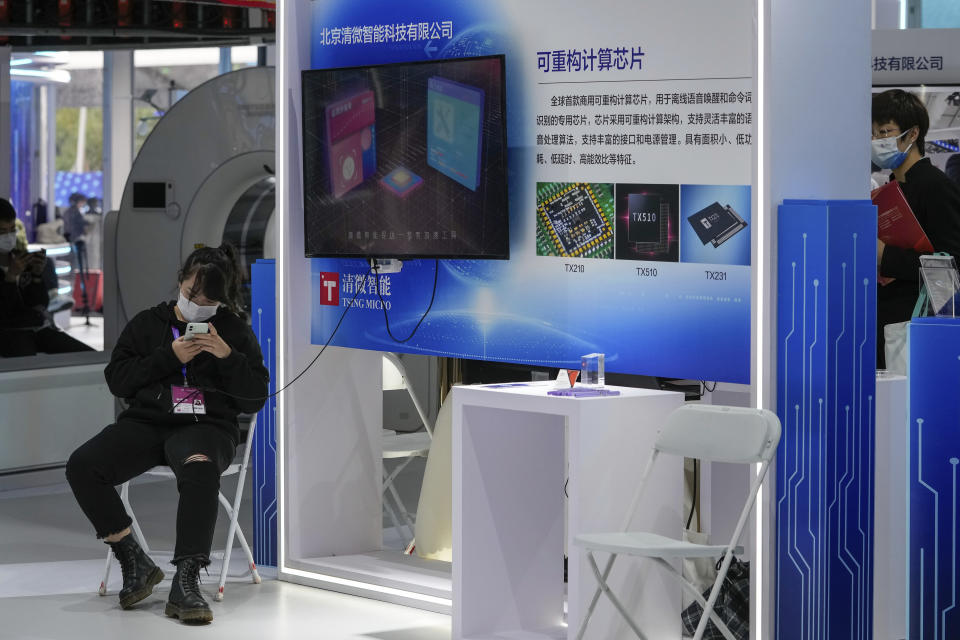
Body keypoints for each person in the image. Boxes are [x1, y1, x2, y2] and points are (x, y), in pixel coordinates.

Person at [65, 244, 269, 624]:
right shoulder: (147, 324)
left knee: (199, 468)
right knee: (83, 465)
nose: (198, 304)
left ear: (222, 301)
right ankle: (133, 559)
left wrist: (228, 357)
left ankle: (187, 579)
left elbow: (255, 398)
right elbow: (118, 380)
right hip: (148, 423)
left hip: (206, 427)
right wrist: (169, 357)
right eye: (193, 294)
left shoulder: (234, 332)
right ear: (180, 282)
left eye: (209, 301)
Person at [872, 89, 960, 368]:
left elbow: (952, 264)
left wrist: (885, 256)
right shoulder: (888, 190)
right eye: (874, 134)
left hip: (914, 321)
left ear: (912, 134)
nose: (878, 141)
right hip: (885, 317)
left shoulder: (935, 186)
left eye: (885, 131)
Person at [0, 199, 92, 357]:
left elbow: (39, 303)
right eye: (2, 232)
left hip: (37, 328)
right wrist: (10, 278)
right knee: (28, 367)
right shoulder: (13, 268)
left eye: (12, 230)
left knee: (88, 358)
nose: (9, 236)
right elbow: (4, 313)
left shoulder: (20, 260)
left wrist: (36, 275)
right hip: (9, 334)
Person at [63, 192, 91, 313]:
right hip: (76, 244)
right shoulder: (75, 213)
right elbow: (82, 227)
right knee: (74, 275)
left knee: (71, 275)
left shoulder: (67, 212)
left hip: (71, 244)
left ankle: (70, 303)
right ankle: (72, 303)